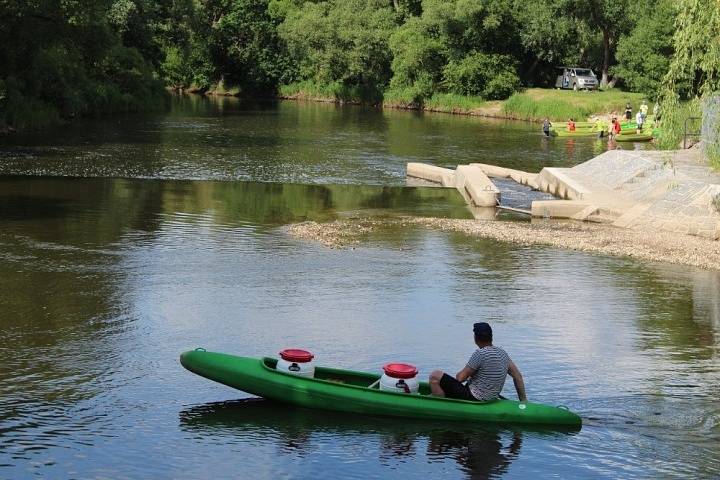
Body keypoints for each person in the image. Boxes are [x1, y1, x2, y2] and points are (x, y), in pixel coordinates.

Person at [429, 323, 527, 402]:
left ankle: (440, 404)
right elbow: (518, 377)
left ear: (476, 338)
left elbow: (460, 378)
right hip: (491, 398)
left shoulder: (480, 353)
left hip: (474, 398)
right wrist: (523, 401)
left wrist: (467, 374)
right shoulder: (503, 353)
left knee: (435, 376)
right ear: (491, 337)